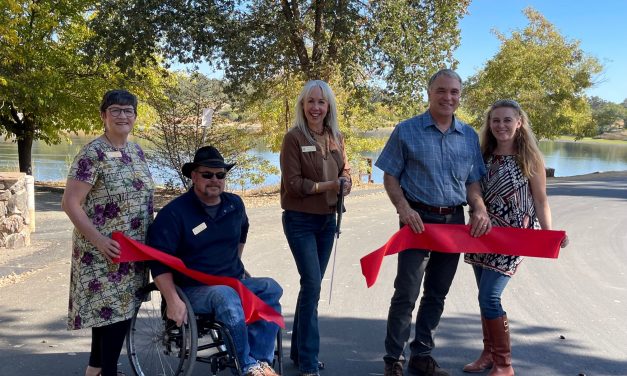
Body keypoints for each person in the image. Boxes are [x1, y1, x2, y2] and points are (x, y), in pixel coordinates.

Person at [375, 69, 491, 376]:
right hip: (417, 222)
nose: (448, 97)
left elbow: (472, 184)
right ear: (429, 93)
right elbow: (390, 175)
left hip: (453, 222)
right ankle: (393, 360)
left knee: (437, 294)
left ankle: (422, 356)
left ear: (459, 96)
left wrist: (479, 209)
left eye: (454, 92)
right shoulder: (407, 130)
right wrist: (402, 208)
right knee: (406, 293)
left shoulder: (468, 136)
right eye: (442, 91)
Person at [146, 145, 282, 376]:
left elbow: (242, 233)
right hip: (191, 289)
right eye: (207, 174)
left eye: (220, 175)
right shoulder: (174, 213)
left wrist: (235, 265)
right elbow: (158, 261)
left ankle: (260, 362)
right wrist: (172, 299)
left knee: (270, 288)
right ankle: (248, 367)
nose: (215, 180)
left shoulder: (234, 204)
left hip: (230, 281)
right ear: (194, 176)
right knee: (224, 295)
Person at [462, 100, 569, 376]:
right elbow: (472, 189)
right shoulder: (483, 155)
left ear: (519, 122)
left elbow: (540, 198)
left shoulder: (530, 158)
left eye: (507, 120)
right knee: (483, 297)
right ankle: (488, 355)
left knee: (490, 297)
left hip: (513, 237)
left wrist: (549, 234)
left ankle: (504, 364)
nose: (501, 126)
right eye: (495, 120)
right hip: (481, 233)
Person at [62, 89, 154, 376]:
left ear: (135, 116)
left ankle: (94, 371)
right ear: (104, 115)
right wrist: (99, 240)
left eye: (128, 111)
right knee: (115, 318)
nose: (122, 116)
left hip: (134, 253)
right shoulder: (92, 154)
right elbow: (70, 203)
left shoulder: (136, 151)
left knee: (112, 318)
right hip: (103, 255)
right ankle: (107, 372)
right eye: (115, 110)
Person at [279, 80, 351, 376]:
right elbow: (294, 185)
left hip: (327, 220)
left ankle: (299, 352)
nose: (316, 107)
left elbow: (346, 168)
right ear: (302, 105)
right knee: (312, 285)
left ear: (329, 106)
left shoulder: (336, 136)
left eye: (321, 102)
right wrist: (330, 185)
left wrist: (346, 181)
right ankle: (309, 360)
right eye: (311, 102)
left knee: (311, 288)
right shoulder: (293, 138)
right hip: (300, 220)